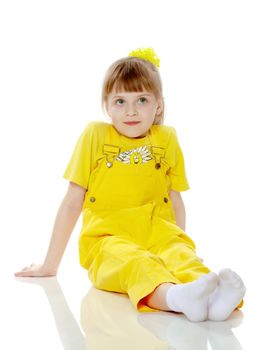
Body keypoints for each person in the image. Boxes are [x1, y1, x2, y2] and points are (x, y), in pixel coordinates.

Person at [15, 48, 246, 322]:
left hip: (158, 233)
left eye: (142, 100)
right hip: (107, 240)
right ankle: (174, 297)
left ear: (158, 104)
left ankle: (216, 301)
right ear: (107, 105)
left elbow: (175, 200)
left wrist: (182, 245)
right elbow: (71, 202)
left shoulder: (167, 138)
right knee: (136, 263)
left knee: (182, 257)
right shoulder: (95, 135)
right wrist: (50, 265)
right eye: (120, 101)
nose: (131, 111)